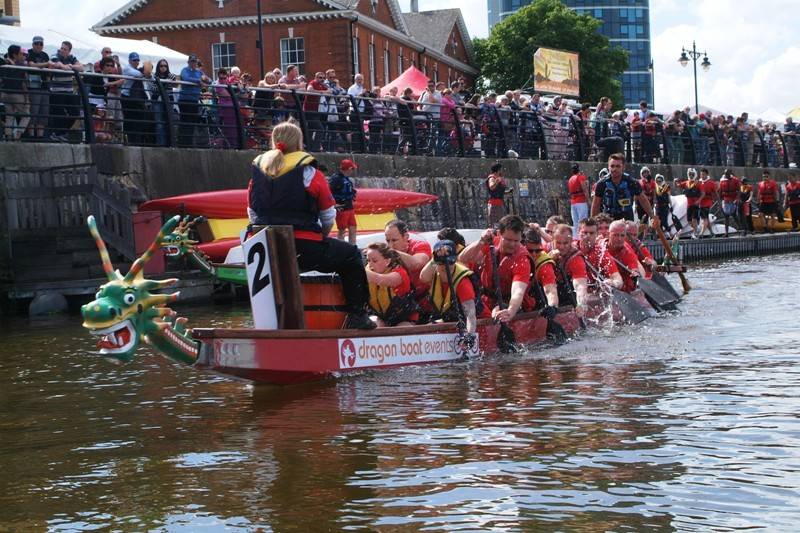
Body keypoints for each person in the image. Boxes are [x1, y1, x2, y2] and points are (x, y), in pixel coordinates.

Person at [247, 121, 375, 329]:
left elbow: (252, 213)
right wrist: (322, 235)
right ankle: (357, 315)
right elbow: (327, 215)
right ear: (299, 143)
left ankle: (272, 323)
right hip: (305, 249)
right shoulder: (308, 173)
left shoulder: (258, 173)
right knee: (351, 254)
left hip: (267, 250)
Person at [459, 215, 533, 323]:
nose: (512, 245)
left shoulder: (522, 260)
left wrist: (510, 312)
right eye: (508, 239)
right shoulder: (490, 243)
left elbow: (518, 292)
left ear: (521, 237)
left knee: (497, 311)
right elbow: (463, 258)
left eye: (516, 241)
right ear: (499, 234)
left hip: (509, 303)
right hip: (486, 299)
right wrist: (481, 241)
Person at [419, 240, 478, 337]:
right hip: (451, 319)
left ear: (455, 261)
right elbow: (423, 277)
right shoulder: (433, 275)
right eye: (441, 262)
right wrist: (435, 256)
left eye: (450, 262)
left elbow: (471, 315)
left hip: (473, 321)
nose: (446, 266)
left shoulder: (462, 282)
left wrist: (470, 335)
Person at [591, 153, 658, 226]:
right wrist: (593, 224)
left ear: (623, 167)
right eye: (612, 166)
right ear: (608, 167)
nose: (614, 169)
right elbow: (596, 204)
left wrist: (652, 216)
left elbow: (643, 199)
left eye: (618, 166)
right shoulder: (602, 183)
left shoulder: (631, 182)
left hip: (627, 218)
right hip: (608, 218)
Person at [364, 243, 418, 327]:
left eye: (374, 261)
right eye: (368, 260)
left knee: (403, 328)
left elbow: (380, 279)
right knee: (374, 324)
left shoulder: (400, 274)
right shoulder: (367, 273)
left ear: (387, 261)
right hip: (380, 317)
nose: (370, 264)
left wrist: (358, 270)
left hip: (403, 318)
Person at [384, 219, 433, 309]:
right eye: (388, 241)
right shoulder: (387, 254)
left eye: (394, 240)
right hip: (402, 304)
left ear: (406, 237)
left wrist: (393, 252)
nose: (390, 245)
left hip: (427, 303)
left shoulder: (420, 245)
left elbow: (417, 264)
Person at [548, 224, 589, 316]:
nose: (562, 247)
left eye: (565, 243)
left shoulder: (576, 258)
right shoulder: (544, 250)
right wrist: (548, 260)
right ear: (552, 240)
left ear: (571, 241)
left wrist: (581, 304)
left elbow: (580, 286)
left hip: (567, 292)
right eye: (558, 243)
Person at [48, 41, 83, 141]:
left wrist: (70, 67)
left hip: (68, 90)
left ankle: (61, 132)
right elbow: (59, 65)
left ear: (69, 51)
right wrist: (69, 67)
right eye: (62, 48)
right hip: (56, 90)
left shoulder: (72, 58)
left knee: (75, 113)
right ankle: (58, 134)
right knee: (59, 113)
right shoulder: (55, 55)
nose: (62, 50)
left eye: (65, 49)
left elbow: (81, 68)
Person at [577, 217, 623, 291]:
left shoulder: (601, 252)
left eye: (591, 233)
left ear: (597, 234)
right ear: (578, 232)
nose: (588, 236)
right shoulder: (571, 249)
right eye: (585, 233)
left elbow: (618, 279)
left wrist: (613, 283)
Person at [523, 229, 559, 316]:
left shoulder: (544, 265)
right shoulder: (515, 255)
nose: (534, 255)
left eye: (538, 251)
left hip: (533, 302)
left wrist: (553, 306)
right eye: (530, 251)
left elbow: (550, 290)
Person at [177, 54, 211, 147]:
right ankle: (182, 143)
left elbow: (210, 81)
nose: (193, 63)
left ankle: (189, 142)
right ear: (188, 62)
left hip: (194, 100)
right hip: (184, 100)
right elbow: (186, 78)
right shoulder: (185, 70)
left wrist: (206, 79)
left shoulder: (199, 72)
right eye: (192, 61)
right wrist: (199, 81)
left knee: (192, 122)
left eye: (195, 62)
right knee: (184, 121)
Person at [605, 220, 646, 293]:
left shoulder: (627, 251)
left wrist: (636, 273)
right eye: (616, 235)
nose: (619, 239)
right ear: (608, 234)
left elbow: (635, 267)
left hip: (623, 287)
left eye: (622, 235)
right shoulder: (600, 245)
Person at [1, 45, 31, 142]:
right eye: (20, 53)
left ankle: (8, 136)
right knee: (26, 115)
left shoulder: (3, 64)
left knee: (9, 115)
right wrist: (26, 97)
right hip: (17, 94)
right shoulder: (19, 66)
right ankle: (17, 135)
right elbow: (23, 83)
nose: (22, 55)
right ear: (15, 55)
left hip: (5, 94)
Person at [327, 159, 359, 244]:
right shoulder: (336, 179)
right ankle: (342, 248)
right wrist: (334, 204)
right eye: (352, 169)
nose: (352, 171)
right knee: (342, 230)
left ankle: (353, 247)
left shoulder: (345, 178)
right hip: (341, 208)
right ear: (349, 169)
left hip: (349, 207)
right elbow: (327, 192)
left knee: (353, 227)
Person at [25, 36, 51, 140]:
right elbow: (31, 65)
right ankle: (31, 135)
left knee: (44, 112)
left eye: (41, 44)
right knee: (33, 111)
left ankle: (40, 136)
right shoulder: (28, 53)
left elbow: (49, 68)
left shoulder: (45, 55)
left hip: (44, 86)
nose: (39, 46)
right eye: (37, 44)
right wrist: (47, 64)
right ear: (32, 44)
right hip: (33, 87)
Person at [675, 168, 702, 238]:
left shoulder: (697, 183)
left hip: (695, 204)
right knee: (689, 220)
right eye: (690, 174)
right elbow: (678, 186)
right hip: (689, 204)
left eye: (692, 174)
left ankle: (695, 233)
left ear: (695, 175)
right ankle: (696, 228)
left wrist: (698, 201)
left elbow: (703, 193)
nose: (691, 175)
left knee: (694, 219)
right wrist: (675, 182)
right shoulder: (686, 183)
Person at [567, 163, 590, 238]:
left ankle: (576, 238)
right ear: (579, 169)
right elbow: (585, 189)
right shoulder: (580, 177)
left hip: (573, 203)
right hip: (581, 202)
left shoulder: (570, 179)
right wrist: (589, 201)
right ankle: (582, 238)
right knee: (583, 221)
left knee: (575, 223)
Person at [718, 169, 742, 237]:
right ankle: (726, 233)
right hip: (725, 201)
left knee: (734, 215)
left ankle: (741, 229)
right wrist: (719, 202)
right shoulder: (722, 181)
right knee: (726, 217)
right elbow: (720, 192)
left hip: (733, 200)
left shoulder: (735, 180)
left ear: (730, 173)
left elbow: (739, 191)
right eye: (725, 174)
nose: (726, 175)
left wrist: (737, 199)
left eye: (727, 173)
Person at [697, 168, 718, 238]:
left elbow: (716, 193)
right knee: (706, 218)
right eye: (701, 174)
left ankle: (701, 234)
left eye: (703, 174)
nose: (702, 176)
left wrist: (718, 201)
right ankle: (712, 233)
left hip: (707, 202)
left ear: (707, 174)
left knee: (704, 218)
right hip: (700, 202)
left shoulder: (711, 183)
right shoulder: (698, 182)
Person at [485, 162, 507, 227]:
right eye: (501, 169)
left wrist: (508, 192)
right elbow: (491, 187)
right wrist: (496, 182)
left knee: (501, 223)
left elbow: (499, 192)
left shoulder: (498, 178)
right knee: (494, 223)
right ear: (498, 170)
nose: (502, 171)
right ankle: (492, 235)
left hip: (499, 204)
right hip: (494, 204)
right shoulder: (492, 178)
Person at [637, 166, 656, 234]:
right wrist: (636, 203)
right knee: (641, 218)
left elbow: (653, 192)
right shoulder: (639, 182)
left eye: (647, 172)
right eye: (644, 173)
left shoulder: (652, 182)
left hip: (649, 201)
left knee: (649, 217)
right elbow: (636, 194)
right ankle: (642, 233)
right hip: (640, 202)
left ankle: (648, 232)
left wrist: (654, 202)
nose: (645, 174)